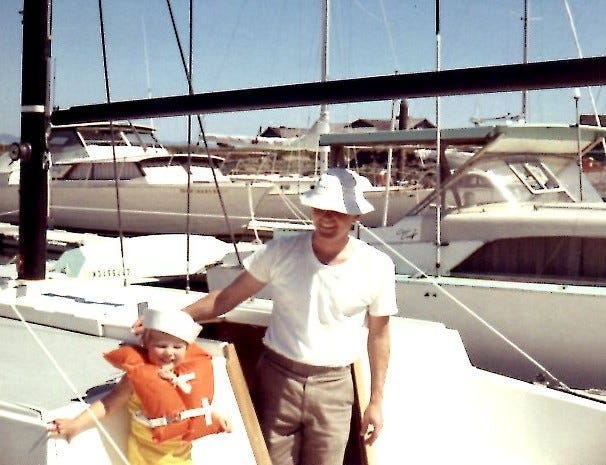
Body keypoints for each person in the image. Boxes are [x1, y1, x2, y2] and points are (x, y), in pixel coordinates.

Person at [155, 167, 398, 465]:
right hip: (277, 379)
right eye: (320, 208)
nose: (326, 217)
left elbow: (380, 334)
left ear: (356, 215)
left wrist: (376, 400)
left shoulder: (377, 265)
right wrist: (166, 322)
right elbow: (225, 299)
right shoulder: (280, 251)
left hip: (335, 386)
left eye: (337, 211)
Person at [48, 308, 230, 465]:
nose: (169, 352)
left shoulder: (185, 374)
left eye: (177, 347)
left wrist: (216, 418)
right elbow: (108, 404)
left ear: (187, 348)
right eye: (161, 346)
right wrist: (75, 424)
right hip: (148, 456)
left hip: (181, 453)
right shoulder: (135, 378)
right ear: (146, 344)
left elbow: (193, 406)